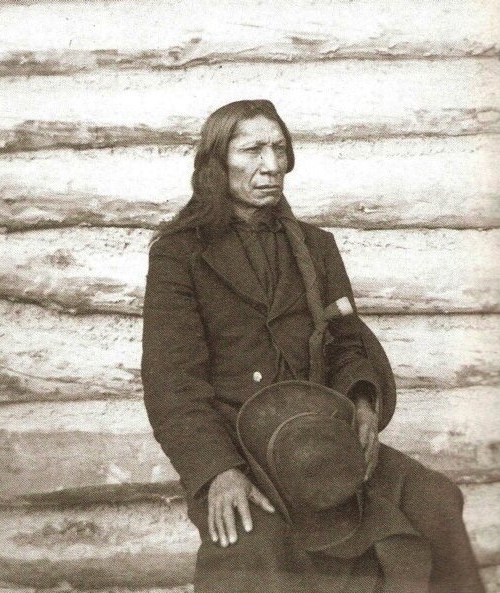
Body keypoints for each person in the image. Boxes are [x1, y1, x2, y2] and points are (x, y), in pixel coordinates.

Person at [141, 100, 484, 593]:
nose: (271, 165)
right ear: (217, 163)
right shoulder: (180, 254)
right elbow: (172, 384)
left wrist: (362, 402)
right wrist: (217, 472)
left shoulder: (315, 247)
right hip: (238, 451)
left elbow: (346, 342)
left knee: (434, 499)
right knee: (255, 546)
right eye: (252, 150)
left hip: (322, 443)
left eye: (279, 149)